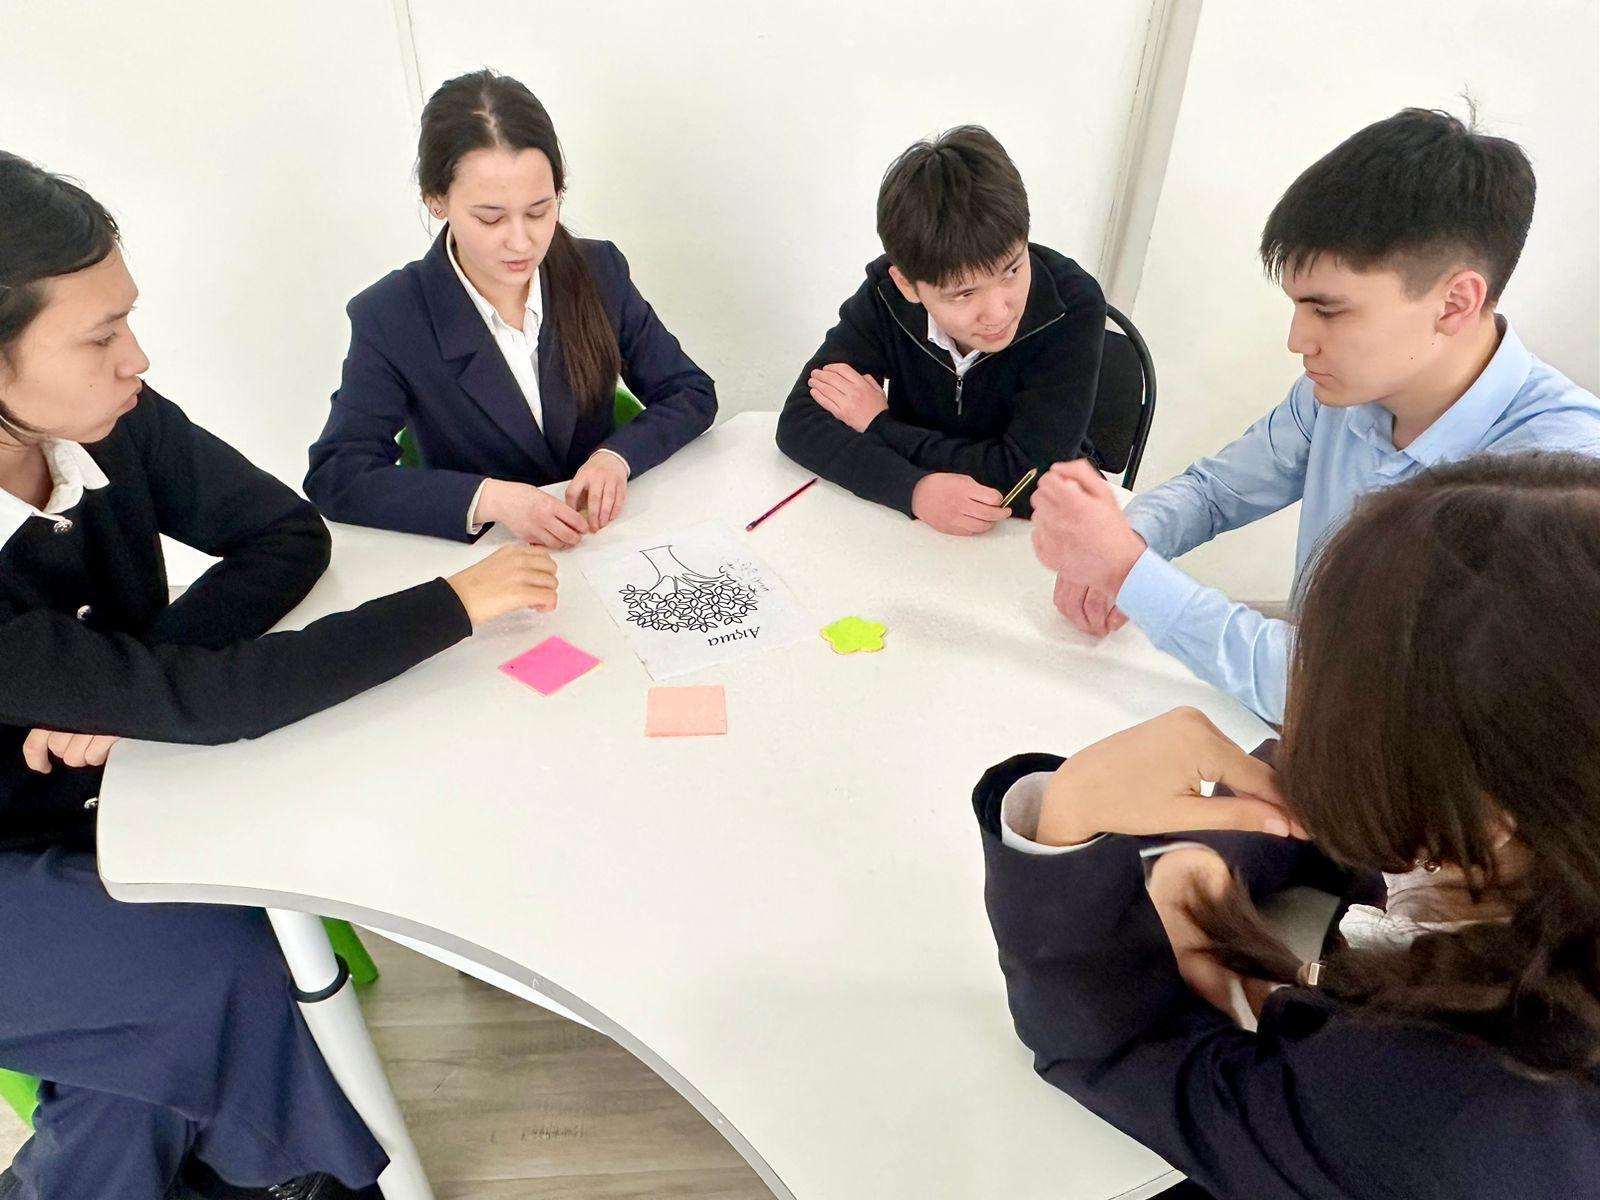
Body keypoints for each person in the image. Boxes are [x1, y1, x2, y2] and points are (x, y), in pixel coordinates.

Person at [0, 152, 557, 1200]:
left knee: (143, 1075)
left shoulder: (111, 418)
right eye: (101, 336)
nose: (137, 358)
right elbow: (212, 706)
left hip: (95, 809)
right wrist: (454, 603)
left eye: (128, 320)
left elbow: (284, 533)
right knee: (212, 966)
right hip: (24, 858)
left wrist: (130, 686)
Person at [981, 452, 1600, 1199]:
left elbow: (1127, 1054)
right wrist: (1207, 867)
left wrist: (1067, 818)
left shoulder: (1451, 1108)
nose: (1303, 721)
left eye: (1334, 690)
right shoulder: (1548, 816)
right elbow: (1357, 811)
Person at [1036, 108, 1600, 722]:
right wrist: (1132, 535)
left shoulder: (1560, 485)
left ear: (1454, 302)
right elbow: (1216, 491)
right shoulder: (1344, 392)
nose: (1297, 339)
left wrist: (1129, 571)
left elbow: (1359, 692)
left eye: (1328, 311)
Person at [305, 70, 717, 547]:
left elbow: (690, 392)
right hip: (489, 557)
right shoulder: (391, 316)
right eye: (491, 218)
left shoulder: (597, 270)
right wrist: (489, 498)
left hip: (605, 542)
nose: (521, 242)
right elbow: (338, 473)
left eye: (539, 211)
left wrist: (617, 456)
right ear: (436, 200)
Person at [775, 125, 1106, 535]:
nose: (998, 312)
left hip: (1033, 532)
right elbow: (800, 422)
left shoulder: (1072, 305)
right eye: (964, 294)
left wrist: (880, 425)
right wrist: (912, 489)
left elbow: (1028, 481)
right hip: (915, 534)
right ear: (908, 286)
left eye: (1012, 271)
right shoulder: (886, 296)